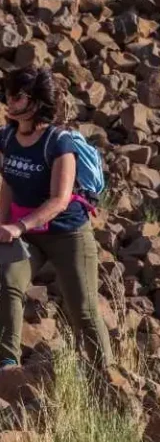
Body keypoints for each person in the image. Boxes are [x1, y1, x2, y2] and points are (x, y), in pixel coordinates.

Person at [0, 66, 111, 369]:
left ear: (35, 102)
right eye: (8, 94)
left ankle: (106, 377)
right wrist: (3, 224)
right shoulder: (7, 138)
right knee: (8, 283)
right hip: (27, 233)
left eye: (17, 96)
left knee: (83, 310)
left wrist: (17, 226)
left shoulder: (58, 142)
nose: (9, 101)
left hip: (67, 234)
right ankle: (7, 365)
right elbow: (8, 182)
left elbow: (60, 200)